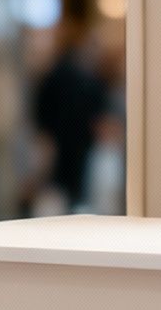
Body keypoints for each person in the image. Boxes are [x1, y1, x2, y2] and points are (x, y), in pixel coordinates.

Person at [29, 21, 109, 214]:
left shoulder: (57, 73)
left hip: (63, 140)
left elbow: (42, 110)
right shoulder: (82, 75)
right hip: (75, 141)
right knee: (72, 189)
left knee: (62, 188)